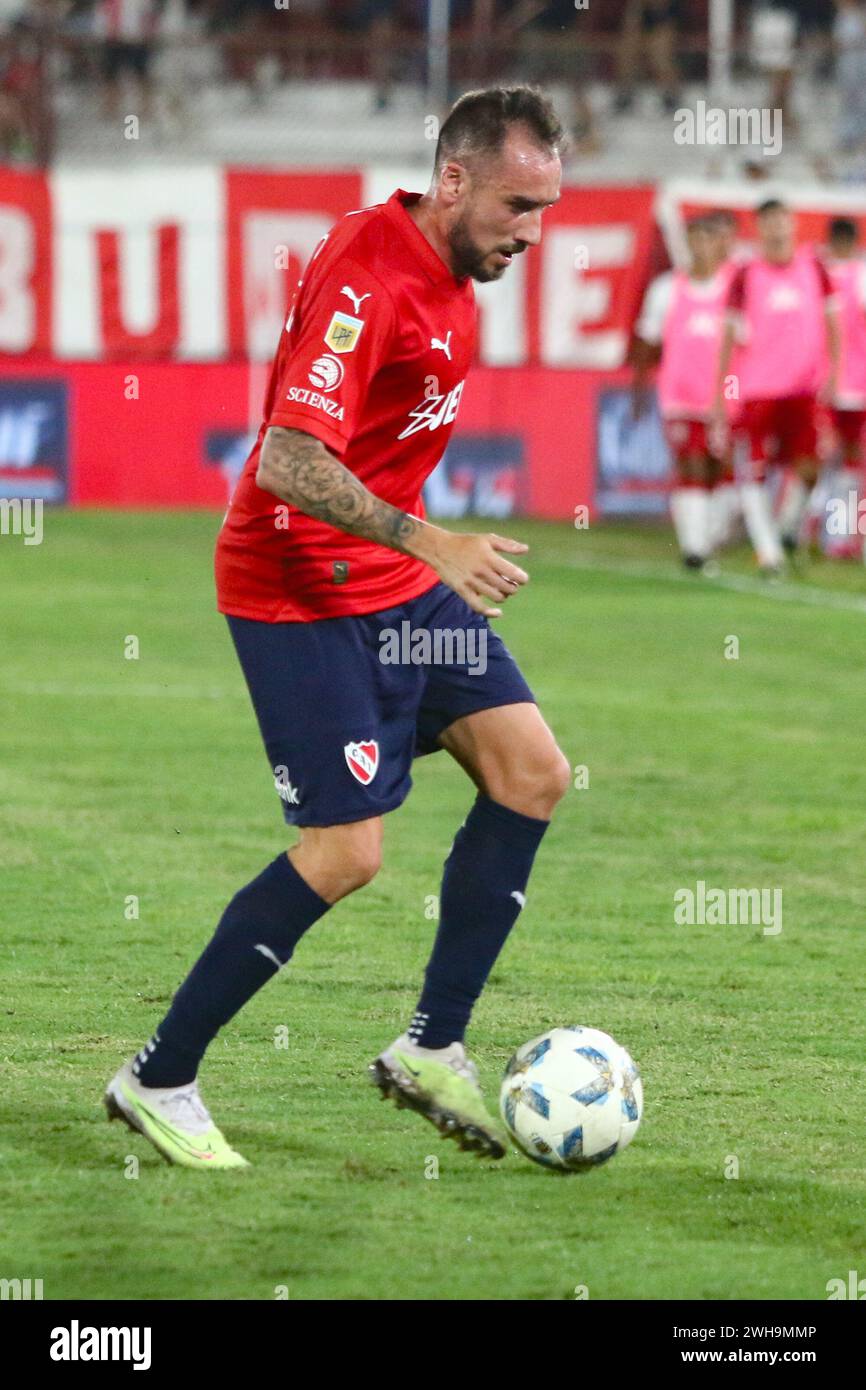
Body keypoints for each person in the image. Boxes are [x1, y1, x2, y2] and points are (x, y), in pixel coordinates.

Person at [104, 85, 571, 1169]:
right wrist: (432, 542)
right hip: (296, 584)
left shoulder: (456, 269)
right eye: (516, 205)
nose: (531, 233)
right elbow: (285, 459)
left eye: (546, 208)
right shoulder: (369, 275)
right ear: (453, 180)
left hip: (391, 583)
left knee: (531, 771)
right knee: (345, 852)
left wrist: (413, 554)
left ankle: (430, 1045)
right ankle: (159, 1074)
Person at [713, 199, 841, 572]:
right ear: (758, 228)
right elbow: (727, 336)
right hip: (757, 391)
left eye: (782, 220)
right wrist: (722, 391)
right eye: (768, 222)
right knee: (754, 471)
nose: (777, 228)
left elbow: (834, 322)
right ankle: (769, 553)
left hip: (805, 390)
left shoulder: (814, 266)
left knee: (810, 468)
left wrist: (833, 374)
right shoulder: (745, 272)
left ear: (793, 223)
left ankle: (786, 528)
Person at [633, 216, 733, 572]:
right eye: (696, 239)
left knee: (720, 469)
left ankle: (709, 539)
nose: (702, 247)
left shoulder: (733, 288)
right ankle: (693, 549)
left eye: (709, 239)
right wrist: (639, 389)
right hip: (679, 395)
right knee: (689, 464)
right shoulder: (667, 289)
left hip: (724, 398)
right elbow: (648, 339)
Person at [822, 215, 866, 557]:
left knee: (844, 461)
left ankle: (839, 535)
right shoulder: (815, 272)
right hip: (835, 383)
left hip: (848, 385)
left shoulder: (856, 275)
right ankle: (832, 532)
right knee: (834, 461)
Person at [614, 0, 682, 115]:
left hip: (666, 21)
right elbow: (631, 21)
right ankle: (624, 94)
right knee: (628, 46)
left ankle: (670, 95)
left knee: (660, 50)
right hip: (644, 23)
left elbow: (663, 11)